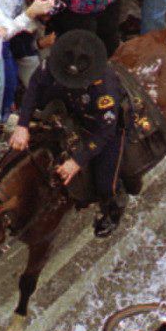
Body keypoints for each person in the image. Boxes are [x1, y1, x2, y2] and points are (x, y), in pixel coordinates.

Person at [10, 28, 129, 237]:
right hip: (65, 101)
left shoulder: (105, 90)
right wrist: (22, 125)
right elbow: (35, 87)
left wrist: (77, 160)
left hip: (97, 123)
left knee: (104, 181)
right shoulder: (54, 63)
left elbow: (104, 131)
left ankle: (113, 206)